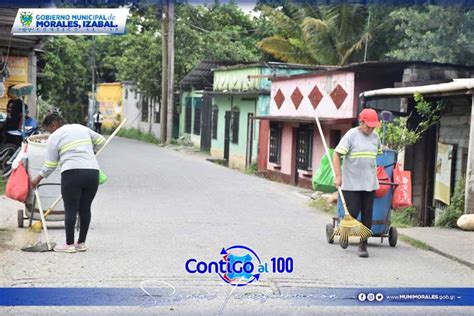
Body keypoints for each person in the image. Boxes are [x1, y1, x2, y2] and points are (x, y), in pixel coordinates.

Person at [31, 112, 106, 253]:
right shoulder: (81, 128)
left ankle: (69, 244)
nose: (49, 133)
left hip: (72, 174)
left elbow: (50, 165)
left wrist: (38, 178)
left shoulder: (55, 136)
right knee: (85, 208)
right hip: (92, 173)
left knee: (71, 208)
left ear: (53, 124)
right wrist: (91, 152)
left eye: (48, 129)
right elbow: (101, 140)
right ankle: (81, 243)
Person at [333, 108, 382, 258]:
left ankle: (363, 244)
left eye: (374, 126)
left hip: (369, 183)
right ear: (361, 122)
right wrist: (338, 176)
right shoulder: (351, 135)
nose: (371, 129)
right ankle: (345, 234)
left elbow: (375, 157)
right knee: (352, 212)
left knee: (367, 214)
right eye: (369, 126)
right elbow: (336, 154)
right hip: (351, 183)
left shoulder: (376, 138)